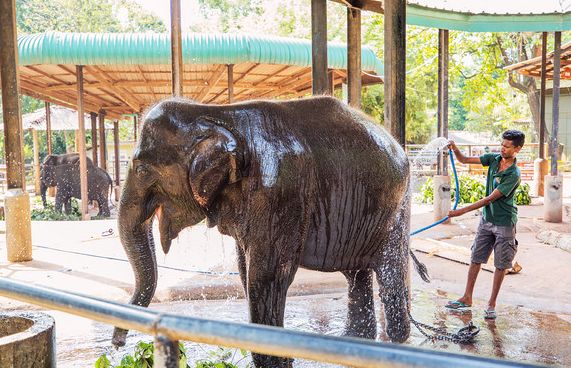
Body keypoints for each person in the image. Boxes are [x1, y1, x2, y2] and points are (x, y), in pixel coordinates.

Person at [445, 130, 525, 320]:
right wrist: (455, 149)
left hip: (504, 223)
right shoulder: (493, 159)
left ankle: (491, 304)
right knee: (476, 258)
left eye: (507, 146)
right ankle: (467, 297)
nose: (502, 148)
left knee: (501, 264)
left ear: (517, 149)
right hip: (486, 220)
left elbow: (490, 199)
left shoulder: (514, 174)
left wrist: (460, 211)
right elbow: (464, 160)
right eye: (502, 144)